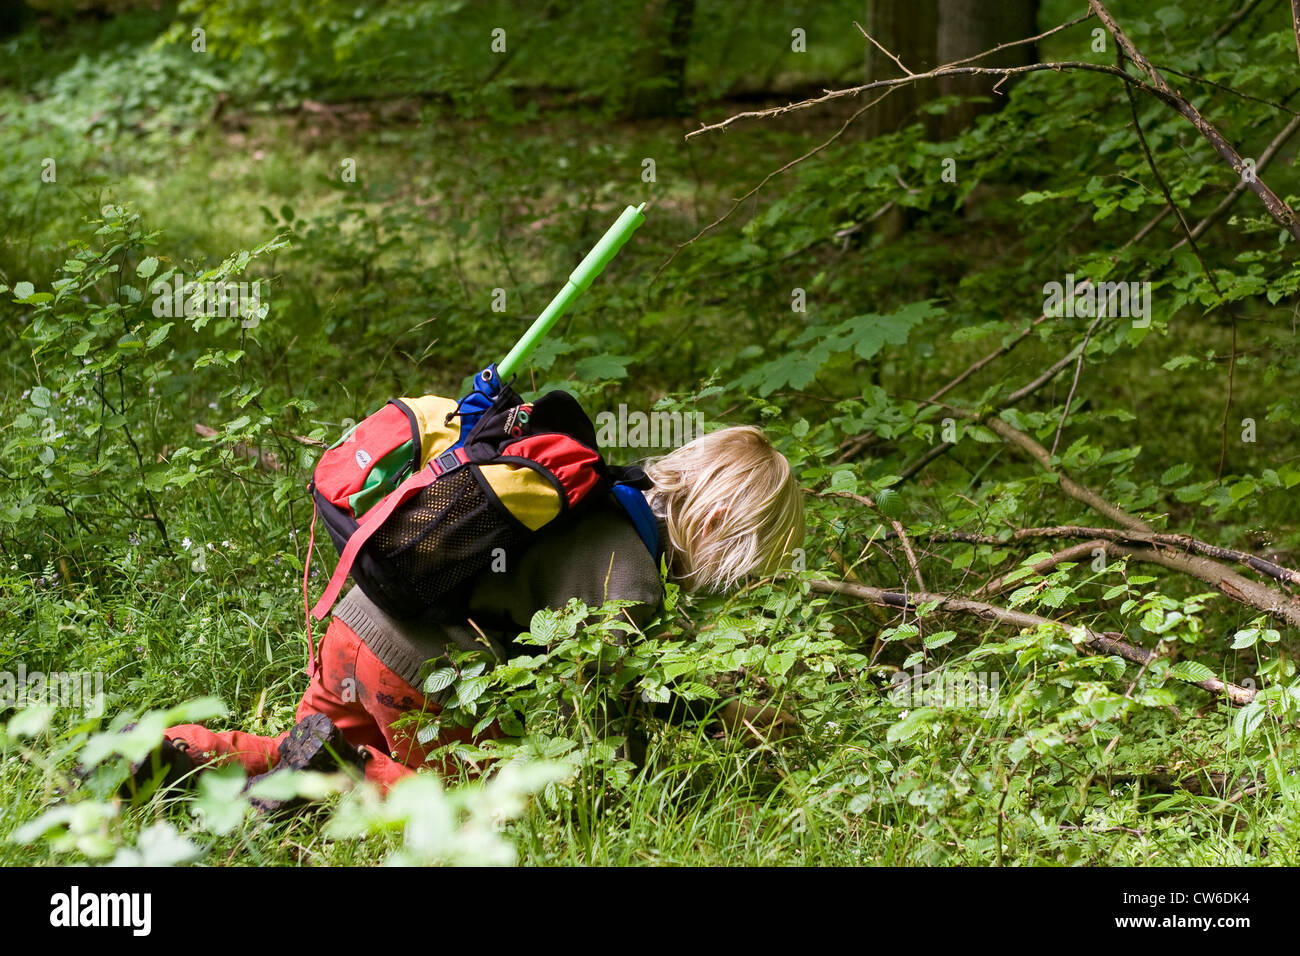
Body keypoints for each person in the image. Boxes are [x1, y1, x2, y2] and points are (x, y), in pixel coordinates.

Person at [136, 424, 804, 803]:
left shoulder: (593, 495)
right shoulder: (630, 576)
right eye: (743, 556)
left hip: (353, 626)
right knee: (471, 816)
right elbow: (608, 714)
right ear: (714, 519)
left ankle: (178, 753)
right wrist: (614, 807)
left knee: (293, 750)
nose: (733, 579)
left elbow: (626, 676)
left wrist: (716, 715)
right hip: (413, 675)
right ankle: (343, 770)